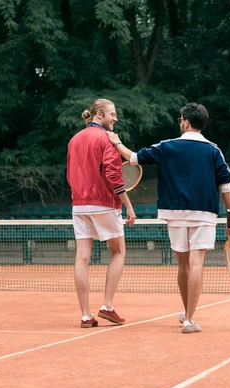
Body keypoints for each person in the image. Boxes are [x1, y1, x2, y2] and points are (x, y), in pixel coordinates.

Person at [107, 102, 230, 334]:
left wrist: (116, 141)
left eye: (180, 119)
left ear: (186, 121)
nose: (180, 122)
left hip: (174, 214)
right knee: (197, 263)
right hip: (204, 213)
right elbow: (226, 187)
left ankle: (187, 313)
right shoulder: (214, 151)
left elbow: (133, 157)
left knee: (183, 264)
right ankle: (189, 318)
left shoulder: (167, 146)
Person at [67, 99, 136, 328]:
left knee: (81, 257)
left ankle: (86, 315)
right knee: (119, 252)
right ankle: (107, 305)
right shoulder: (107, 139)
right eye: (112, 114)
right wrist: (128, 205)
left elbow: (70, 174)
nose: (115, 118)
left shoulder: (74, 139)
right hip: (104, 204)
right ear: (99, 115)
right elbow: (114, 176)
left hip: (79, 204)